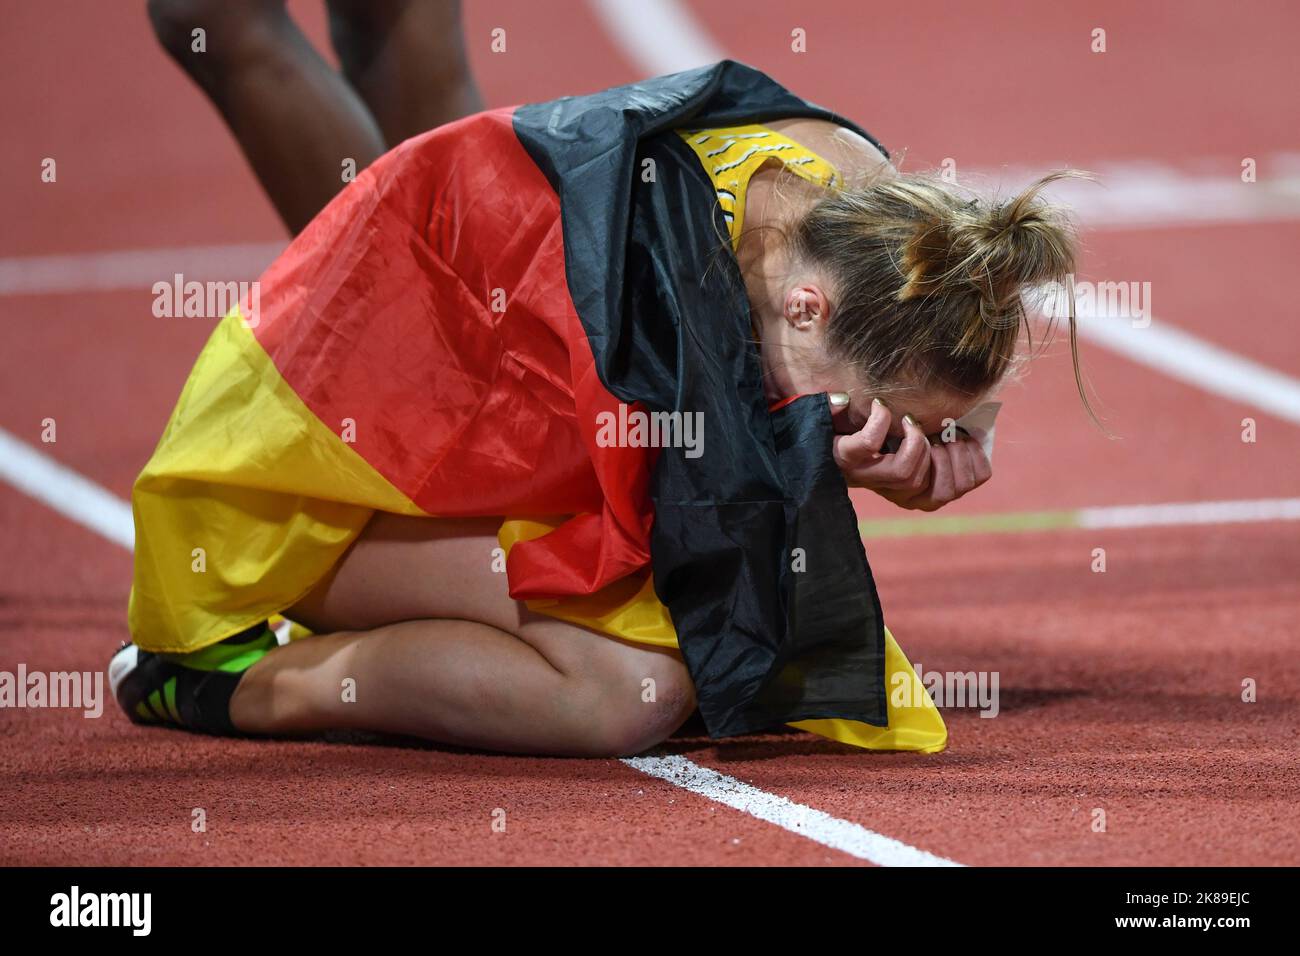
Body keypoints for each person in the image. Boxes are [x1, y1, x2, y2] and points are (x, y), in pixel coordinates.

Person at [112, 0, 1085, 757]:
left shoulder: (851, 196)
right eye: (882, 414)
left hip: (440, 396)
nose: (867, 432)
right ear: (805, 310)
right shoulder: (656, 302)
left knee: (679, 663)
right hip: (304, 477)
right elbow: (684, 527)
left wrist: (951, 422)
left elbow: (902, 329)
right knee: (635, 687)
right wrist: (831, 464)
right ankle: (233, 682)